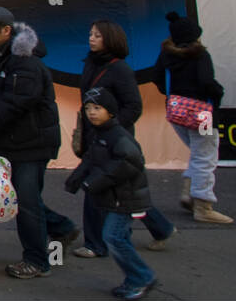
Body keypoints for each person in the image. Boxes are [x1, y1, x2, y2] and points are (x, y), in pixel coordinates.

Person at [0, 6, 75, 279]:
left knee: (26, 201)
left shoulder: (26, 61)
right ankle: (63, 228)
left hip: (33, 142)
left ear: (6, 31)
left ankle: (37, 261)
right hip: (12, 141)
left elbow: (16, 101)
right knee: (23, 197)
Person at [71, 20, 174, 258]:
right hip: (93, 137)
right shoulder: (90, 64)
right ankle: (162, 228)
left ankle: (95, 244)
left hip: (114, 140)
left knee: (98, 188)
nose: (91, 38)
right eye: (90, 34)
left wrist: (111, 127)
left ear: (110, 38)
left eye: (96, 35)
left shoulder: (120, 70)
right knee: (122, 192)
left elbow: (134, 106)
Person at [64, 88, 158, 299]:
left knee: (113, 237)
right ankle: (134, 279)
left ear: (112, 112)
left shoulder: (118, 135)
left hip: (126, 199)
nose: (92, 113)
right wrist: (76, 179)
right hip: (115, 199)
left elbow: (129, 162)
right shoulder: (101, 134)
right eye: (88, 108)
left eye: (97, 108)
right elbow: (90, 159)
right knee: (117, 237)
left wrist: (92, 182)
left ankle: (141, 277)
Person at [152, 12, 233, 224]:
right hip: (203, 115)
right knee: (206, 155)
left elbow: (157, 78)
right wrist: (218, 93)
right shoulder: (200, 55)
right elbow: (207, 82)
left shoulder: (166, 56)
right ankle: (202, 204)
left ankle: (190, 192)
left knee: (198, 152)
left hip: (177, 111)